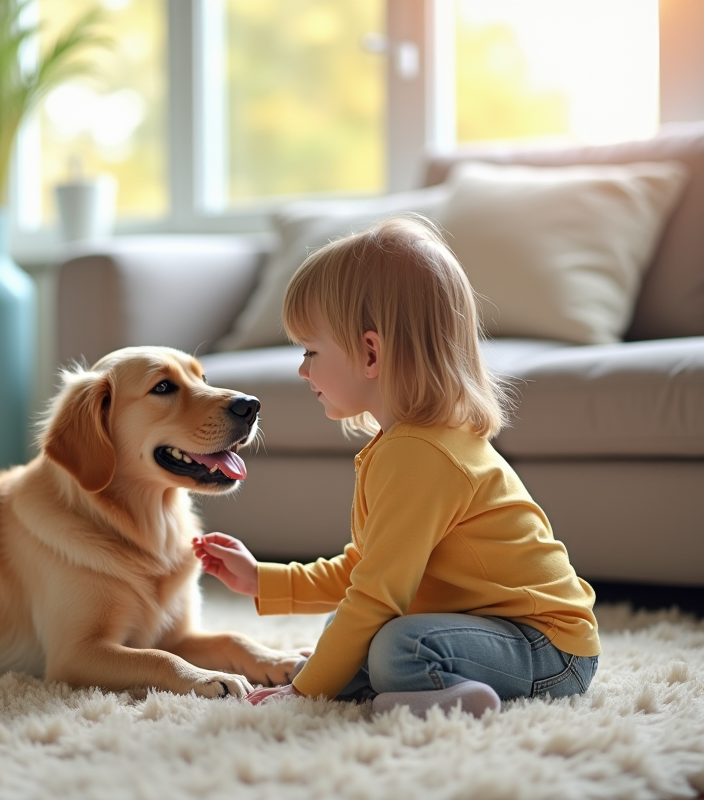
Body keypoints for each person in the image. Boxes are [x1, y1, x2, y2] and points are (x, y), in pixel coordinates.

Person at [192, 215, 600, 718]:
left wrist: (303, 695)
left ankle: (451, 699)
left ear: (370, 353)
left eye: (311, 351)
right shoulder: (401, 445)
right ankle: (400, 685)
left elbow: (376, 595)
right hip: (486, 630)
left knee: (393, 646)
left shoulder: (420, 456)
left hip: (550, 650)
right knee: (346, 633)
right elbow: (366, 569)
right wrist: (262, 579)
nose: (302, 369)